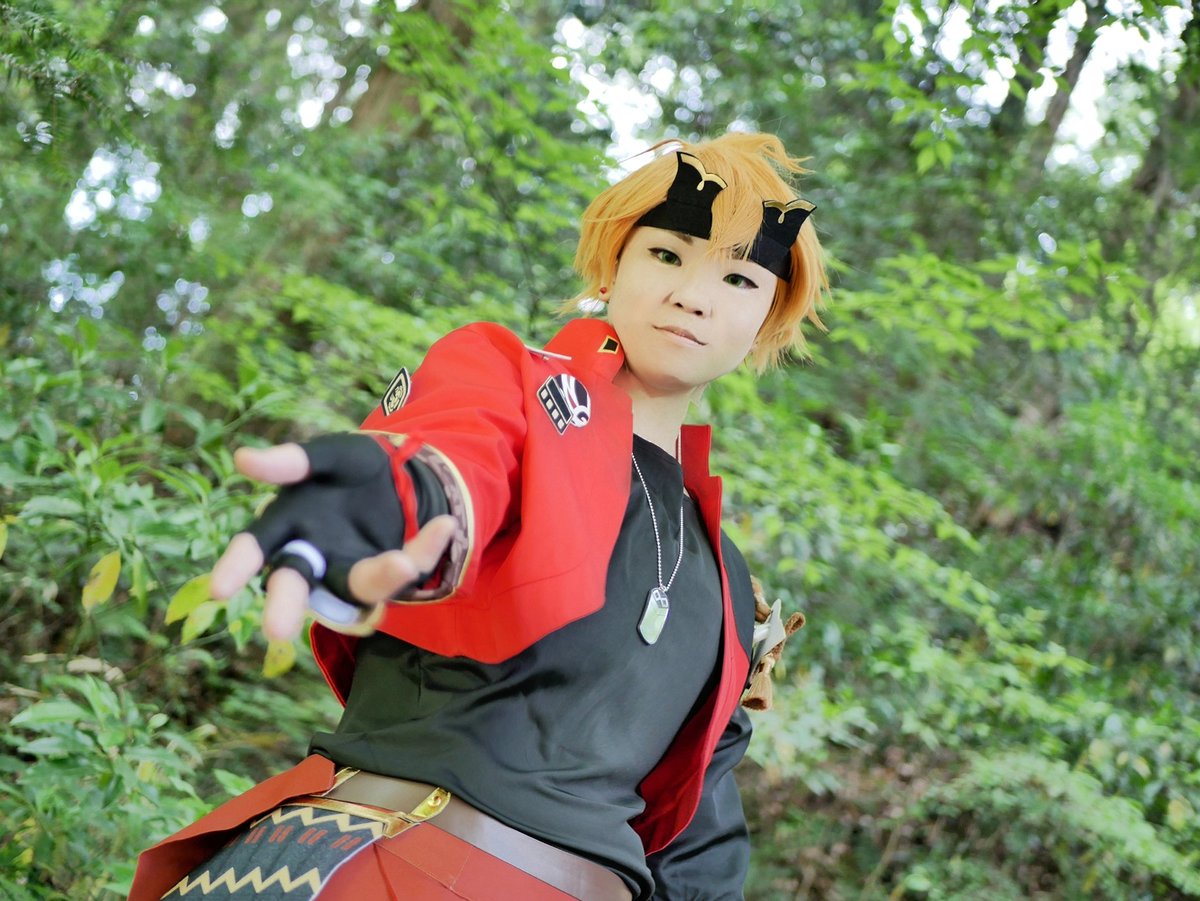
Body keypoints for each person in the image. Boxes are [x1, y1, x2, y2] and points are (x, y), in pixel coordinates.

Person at [129, 130, 825, 901]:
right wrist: (379, 499)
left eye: (738, 278)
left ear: (766, 318)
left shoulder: (728, 580)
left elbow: (697, 850)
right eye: (667, 254)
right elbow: (452, 462)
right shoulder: (519, 396)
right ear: (613, 266)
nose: (693, 295)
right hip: (378, 863)